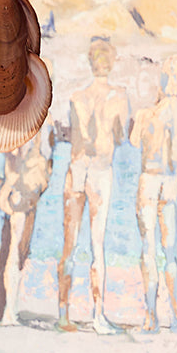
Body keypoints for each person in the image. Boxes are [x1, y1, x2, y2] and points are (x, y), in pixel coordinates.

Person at [57, 38, 131, 334]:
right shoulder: (119, 96)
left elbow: (72, 133)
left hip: (76, 169)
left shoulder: (76, 97)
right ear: (111, 63)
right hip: (99, 171)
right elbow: (121, 136)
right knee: (96, 245)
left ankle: (63, 314)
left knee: (69, 245)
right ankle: (98, 316)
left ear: (91, 62)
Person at [130, 54, 177, 330]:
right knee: (164, 251)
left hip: (153, 179)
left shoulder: (152, 113)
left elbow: (136, 142)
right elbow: (176, 155)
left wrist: (151, 119)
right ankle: (170, 312)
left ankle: (155, 314)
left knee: (153, 249)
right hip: (166, 181)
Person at [0, 129, 55, 326]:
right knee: (16, 253)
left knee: (10, 251)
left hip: (13, 188)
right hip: (26, 190)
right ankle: (9, 312)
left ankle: (3, 311)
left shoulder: (11, 122)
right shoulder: (41, 121)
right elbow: (47, 161)